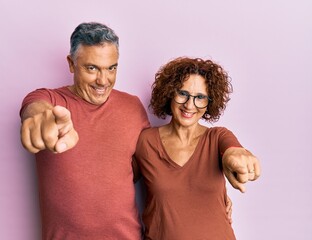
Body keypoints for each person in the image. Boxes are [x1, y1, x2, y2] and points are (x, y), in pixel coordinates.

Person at [19, 22, 259, 240]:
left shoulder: (133, 107)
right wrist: (41, 120)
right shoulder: (49, 100)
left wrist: (216, 195)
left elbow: (158, 169)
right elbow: (35, 108)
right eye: (92, 68)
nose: (103, 80)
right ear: (72, 64)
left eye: (111, 68)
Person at [134, 57, 261, 240]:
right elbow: (118, 182)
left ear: (210, 102)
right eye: (182, 93)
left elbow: (233, 151)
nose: (189, 105)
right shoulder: (146, 142)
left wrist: (239, 157)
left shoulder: (217, 137)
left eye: (200, 97)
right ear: (170, 93)